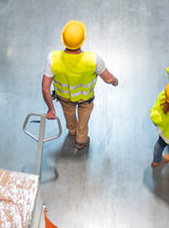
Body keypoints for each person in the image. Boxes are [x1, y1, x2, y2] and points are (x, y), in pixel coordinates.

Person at [42, 21, 118, 149]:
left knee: (69, 115)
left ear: (63, 39)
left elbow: (45, 88)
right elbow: (108, 78)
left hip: (65, 98)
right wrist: (115, 81)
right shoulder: (93, 59)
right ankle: (81, 140)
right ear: (83, 40)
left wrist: (51, 109)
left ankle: (72, 131)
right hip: (85, 99)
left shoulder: (53, 58)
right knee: (83, 120)